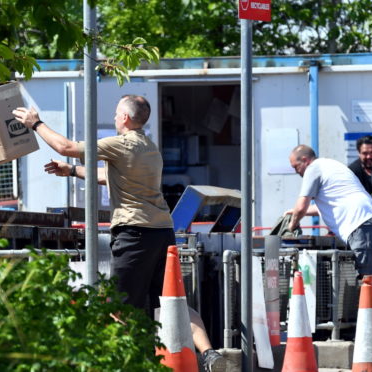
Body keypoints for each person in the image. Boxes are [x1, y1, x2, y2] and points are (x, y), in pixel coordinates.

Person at [13, 96, 226, 371]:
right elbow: (109, 176)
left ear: (125, 118)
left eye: (116, 114)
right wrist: (72, 172)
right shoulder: (149, 147)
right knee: (171, 299)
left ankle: (134, 363)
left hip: (134, 234)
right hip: (162, 232)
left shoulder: (121, 144)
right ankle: (208, 353)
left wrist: (36, 123)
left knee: (118, 307)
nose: (114, 118)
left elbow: (65, 147)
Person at [287, 144, 372, 297]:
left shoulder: (313, 169)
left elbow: (302, 206)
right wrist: (295, 213)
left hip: (359, 222)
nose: (296, 171)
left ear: (305, 160)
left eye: (295, 167)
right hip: (371, 217)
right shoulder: (330, 165)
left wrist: (291, 226)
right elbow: (327, 206)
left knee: (368, 279)